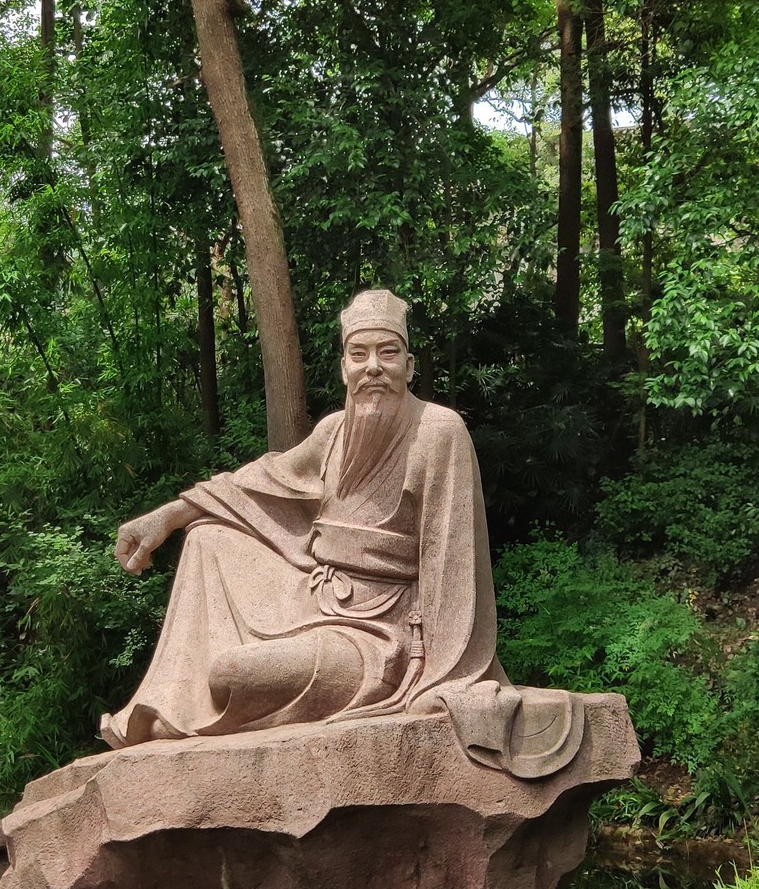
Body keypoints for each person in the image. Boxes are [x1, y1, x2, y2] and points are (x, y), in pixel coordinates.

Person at [100, 288, 516, 752]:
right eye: (358, 354)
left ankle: (204, 708)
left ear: (409, 365)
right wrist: (168, 516)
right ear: (343, 368)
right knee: (208, 537)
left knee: (231, 673)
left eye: (388, 353)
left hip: (381, 636)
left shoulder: (439, 432)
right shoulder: (332, 431)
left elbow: (451, 562)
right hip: (314, 599)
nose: (373, 367)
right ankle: (174, 701)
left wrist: (441, 675)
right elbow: (258, 482)